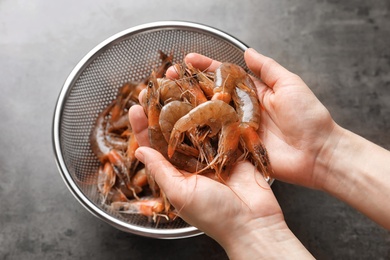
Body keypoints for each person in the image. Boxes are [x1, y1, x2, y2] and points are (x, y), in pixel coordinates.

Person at [128, 48, 390, 259]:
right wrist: (326, 152)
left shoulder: (227, 106)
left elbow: (223, 112)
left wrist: (324, 149)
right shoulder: (209, 106)